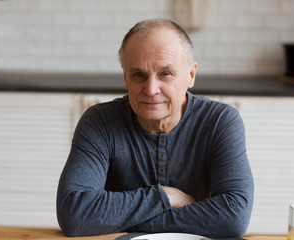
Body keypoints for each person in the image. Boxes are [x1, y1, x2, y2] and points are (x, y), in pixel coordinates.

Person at [57, 18, 254, 238]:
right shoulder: (100, 122)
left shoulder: (220, 121)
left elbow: (234, 217)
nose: (151, 90)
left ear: (191, 75)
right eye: (139, 75)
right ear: (125, 78)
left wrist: (127, 220)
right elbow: (74, 214)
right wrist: (164, 196)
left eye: (165, 74)